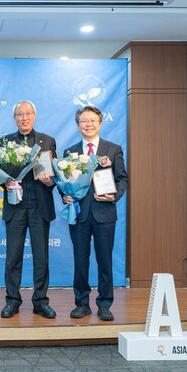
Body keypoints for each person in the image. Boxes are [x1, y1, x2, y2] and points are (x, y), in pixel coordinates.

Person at [63, 106, 128, 321]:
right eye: (84, 121)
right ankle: (81, 303)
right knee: (80, 261)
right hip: (79, 213)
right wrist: (65, 195)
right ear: (78, 125)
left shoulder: (113, 149)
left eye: (92, 120)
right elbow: (64, 183)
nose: (88, 124)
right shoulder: (70, 153)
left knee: (104, 260)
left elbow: (122, 179)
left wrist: (114, 196)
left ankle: (105, 304)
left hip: (104, 213)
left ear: (100, 123)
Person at [0, 100, 58, 319]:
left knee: (41, 257)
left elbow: (56, 175)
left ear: (35, 116)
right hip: (15, 207)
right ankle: (12, 300)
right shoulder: (5, 141)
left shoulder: (48, 141)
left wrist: (49, 180)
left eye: (28, 114)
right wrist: (5, 181)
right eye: (20, 114)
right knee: (12, 257)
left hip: (39, 207)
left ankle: (40, 301)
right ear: (15, 118)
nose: (24, 118)